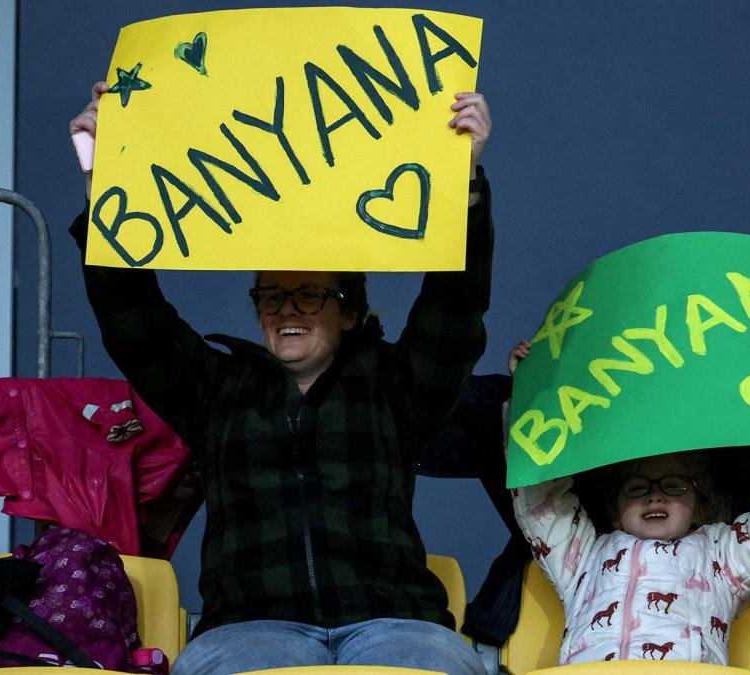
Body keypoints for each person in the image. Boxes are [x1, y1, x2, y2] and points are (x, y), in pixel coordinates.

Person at [67, 80, 493, 675]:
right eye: (271, 296)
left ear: (348, 310)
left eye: (309, 295)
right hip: (250, 628)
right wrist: (105, 184)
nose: (287, 310)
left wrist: (464, 182)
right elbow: (131, 318)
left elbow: (455, 307)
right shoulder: (216, 389)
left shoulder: (396, 387)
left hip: (393, 623)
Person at [506, 340, 750, 665]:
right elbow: (538, 498)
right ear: (614, 512)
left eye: (674, 485)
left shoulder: (723, 558)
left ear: (701, 505)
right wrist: (531, 391)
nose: (655, 494)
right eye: (637, 488)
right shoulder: (583, 559)